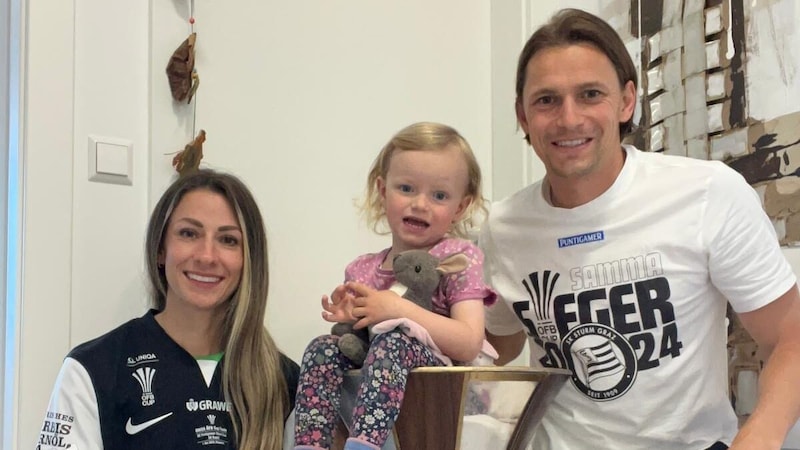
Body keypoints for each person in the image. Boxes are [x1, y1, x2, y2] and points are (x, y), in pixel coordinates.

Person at [480, 8, 800, 450]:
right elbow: (498, 343)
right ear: (522, 116)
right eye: (546, 100)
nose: (569, 119)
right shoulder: (504, 227)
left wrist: (762, 435)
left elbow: (790, 338)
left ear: (627, 101)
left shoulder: (707, 193)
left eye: (590, 94)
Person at [37, 169, 300, 450]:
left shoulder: (286, 382)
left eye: (228, 240)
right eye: (189, 233)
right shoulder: (93, 369)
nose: (206, 256)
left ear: (249, 259)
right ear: (161, 249)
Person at [293, 122, 497, 450]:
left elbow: (469, 342)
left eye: (440, 195)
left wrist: (397, 310)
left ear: (460, 206)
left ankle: (364, 447)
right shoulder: (361, 268)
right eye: (406, 188)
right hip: (382, 402)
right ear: (382, 189)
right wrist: (351, 318)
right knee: (322, 349)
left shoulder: (458, 257)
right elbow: (358, 347)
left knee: (393, 341)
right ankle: (312, 444)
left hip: (446, 403)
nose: (420, 203)